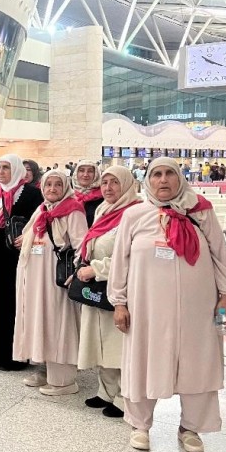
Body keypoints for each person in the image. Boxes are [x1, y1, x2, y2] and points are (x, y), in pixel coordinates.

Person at [109, 157, 226, 452]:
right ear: (147, 180)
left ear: (180, 178)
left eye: (169, 174)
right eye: (156, 175)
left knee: (198, 364)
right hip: (147, 310)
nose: (163, 180)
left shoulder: (201, 211)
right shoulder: (135, 214)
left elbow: (220, 254)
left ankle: (190, 427)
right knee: (144, 360)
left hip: (200, 309)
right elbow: (120, 262)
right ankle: (140, 424)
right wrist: (119, 302)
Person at [74, 165, 140, 417]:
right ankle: (106, 390)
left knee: (119, 343)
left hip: (120, 287)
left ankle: (124, 397)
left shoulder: (135, 212)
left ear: (126, 184)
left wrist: (97, 269)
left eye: (115, 183)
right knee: (100, 339)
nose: (108, 188)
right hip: (97, 286)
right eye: (105, 183)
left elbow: (131, 255)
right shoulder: (104, 209)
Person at [15, 170, 88, 393]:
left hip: (56, 279)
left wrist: (77, 272)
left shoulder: (73, 211)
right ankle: (45, 370)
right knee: (41, 320)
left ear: (65, 187)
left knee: (58, 323)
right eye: (48, 185)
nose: (53, 189)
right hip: (36, 277)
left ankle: (64, 380)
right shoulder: (42, 209)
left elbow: (81, 245)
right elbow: (29, 234)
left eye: (58, 185)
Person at [0, 154, 43, 370]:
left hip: (15, 259)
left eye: (6, 168)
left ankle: (13, 355)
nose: (1, 172)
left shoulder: (31, 194)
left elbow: (41, 222)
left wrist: (29, 235)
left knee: (13, 305)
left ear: (16, 170)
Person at [71, 160, 104, 226]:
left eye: (90, 171)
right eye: (81, 170)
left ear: (96, 174)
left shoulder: (104, 197)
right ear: (76, 173)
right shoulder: (68, 195)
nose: (85, 175)